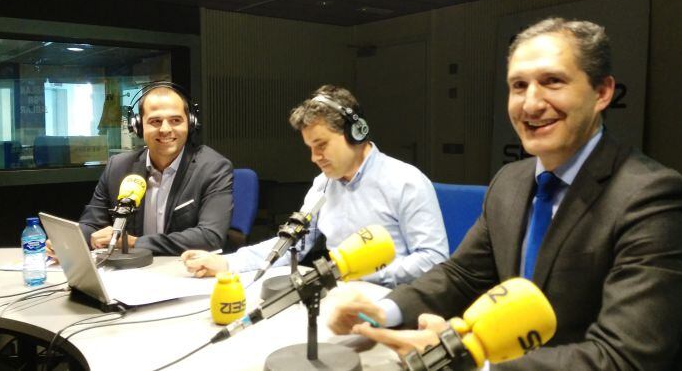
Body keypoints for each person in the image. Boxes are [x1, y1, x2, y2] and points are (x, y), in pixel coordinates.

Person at [328, 18, 682, 370]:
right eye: (519, 86)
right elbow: (462, 275)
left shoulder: (654, 198)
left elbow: (623, 358)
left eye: (553, 81)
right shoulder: (510, 181)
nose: (531, 103)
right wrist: (386, 311)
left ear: (602, 92)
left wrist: (472, 361)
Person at [181, 85, 449, 287]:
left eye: (321, 145)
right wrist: (227, 262)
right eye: (310, 148)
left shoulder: (406, 182)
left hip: (394, 299)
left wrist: (362, 274)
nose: (314, 158)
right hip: (341, 293)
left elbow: (433, 259)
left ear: (356, 133)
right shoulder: (323, 185)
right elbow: (293, 244)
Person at [60, 82, 233, 256]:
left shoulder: (213, 168)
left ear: (190, 123)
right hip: (130, 272)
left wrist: (135, 243)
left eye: (175, 120)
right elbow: (92, 224)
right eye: (155, 121)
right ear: (138, 126)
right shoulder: (118, 167)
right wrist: (68, 242)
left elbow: (210, 237)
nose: (165, 129)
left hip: (183, 270)